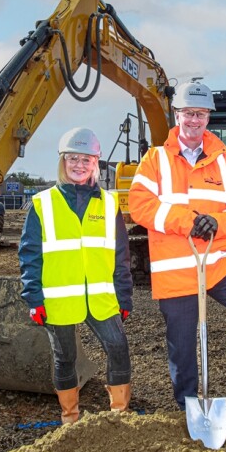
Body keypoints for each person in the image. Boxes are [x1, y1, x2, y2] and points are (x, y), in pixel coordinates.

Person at [128, 80, 226, 418]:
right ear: (177, 115)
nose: (194, 120)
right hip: (176, 268)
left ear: (208, 117)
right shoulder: (155, 159)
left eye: (200, 114)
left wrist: (219, 222)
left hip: (219, 264)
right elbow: (138, 205)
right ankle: (187, 405)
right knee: (182, 345)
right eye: (188, 113)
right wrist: (188, 221)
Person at [18, 127, 134, 425]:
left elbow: (121, 255)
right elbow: (30, 255)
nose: (79, 165)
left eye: (86, 159)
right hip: (59, 299)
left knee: (118, 348)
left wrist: (124, 295)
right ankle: (70, 418)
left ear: (96, 162)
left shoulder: (109, 204)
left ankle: (119, 415)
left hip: (101, 297)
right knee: (65, 358)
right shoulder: (43, 204)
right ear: (63, 161)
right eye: (73, 159)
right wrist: (34, 298)